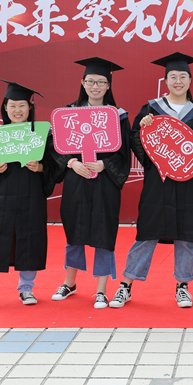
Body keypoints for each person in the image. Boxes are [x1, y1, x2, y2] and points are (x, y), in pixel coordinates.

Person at [111, 53, 193, 309]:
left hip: (189, 183)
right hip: (159, 182)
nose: (178, 81)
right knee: (147, 231)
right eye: (173, 77)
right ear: (165, 80)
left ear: (190, 80)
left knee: (187, 235)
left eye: (183, 77)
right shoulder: (151, 109)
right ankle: (126, 285)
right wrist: (143, 129)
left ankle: (183, 286)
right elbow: (137, 141)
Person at [0, 80, 58, 310]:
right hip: (2, 199)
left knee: (30, 242)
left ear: (30, 108)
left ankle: (26, 289)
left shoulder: (42, 135)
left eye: (22, 105)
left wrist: (41, 167)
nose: (17, 110)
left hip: (31, 198)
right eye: (12, 105)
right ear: (5, 108)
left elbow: (55, 165)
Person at [50, 57, 131, 309]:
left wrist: (105, 164)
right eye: (91, 81)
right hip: (77, 181)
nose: (95, 86)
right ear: (83, 83)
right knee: (74, 232)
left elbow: (124, 153)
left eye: (101, 82)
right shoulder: (68, 114)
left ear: (108, 85)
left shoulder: (118, 116)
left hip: (105, 183)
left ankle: (101, 290)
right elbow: (55, 147)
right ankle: (70, 283)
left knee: (104, 233)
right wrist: (72, 163)